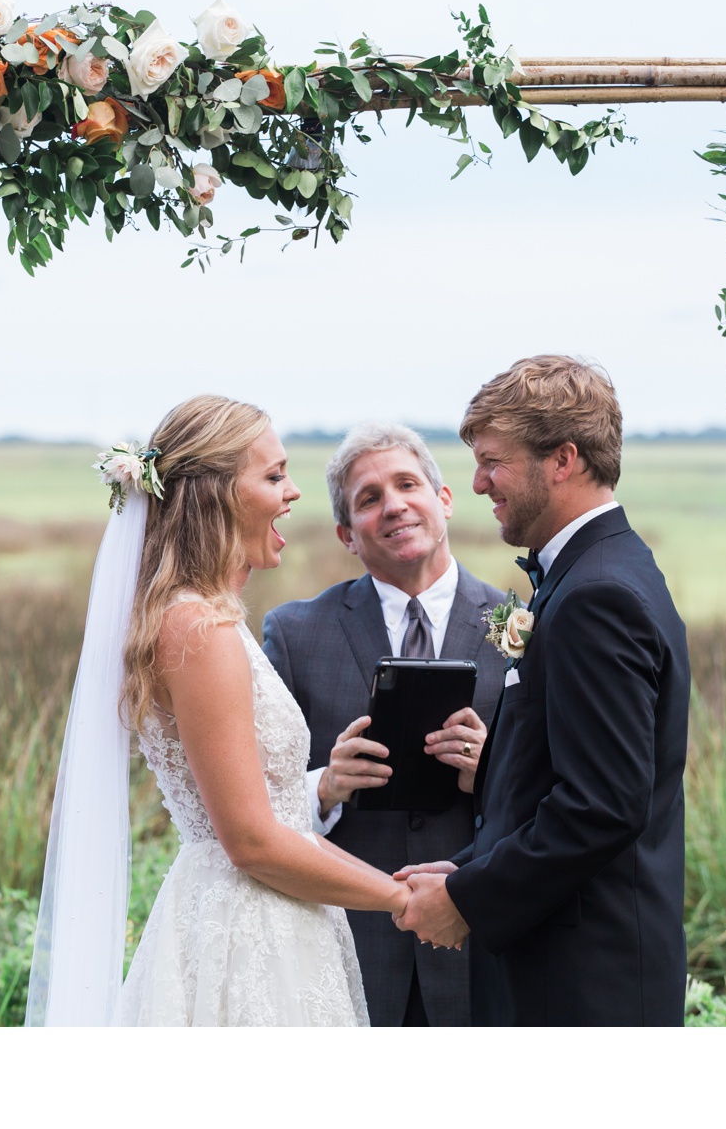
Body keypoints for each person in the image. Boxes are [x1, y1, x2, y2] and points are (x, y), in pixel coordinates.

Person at [25, 395, 406, 1026]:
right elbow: (252, 841)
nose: (293, 493)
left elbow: (279, 822)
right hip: (245, 935)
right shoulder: (197, 629)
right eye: (274, 475)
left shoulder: (198, 619)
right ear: (219, 494)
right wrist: (398, 898)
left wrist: (390, 882)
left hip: (270, 917)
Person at [392, 355, 691, 1026]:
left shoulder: (599, 595)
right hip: (558, 968)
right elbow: (543, 781)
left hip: (585, 987)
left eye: (493, 461)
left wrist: (470, 900)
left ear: (562, 459)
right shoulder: (584, 577)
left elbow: (601, 806)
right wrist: (462, 869)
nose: (476, 484)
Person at [260, 423, 510, 1026]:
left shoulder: (525, 625)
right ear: (348, 534)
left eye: (407, 485)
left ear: (443, 498)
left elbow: (562, 797)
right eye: (368, 499)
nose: (393, 505)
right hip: (349, 954)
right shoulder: (295, 635)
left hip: (481, 950)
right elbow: (252, 808)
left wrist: (494, 772)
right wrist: (325, 785)